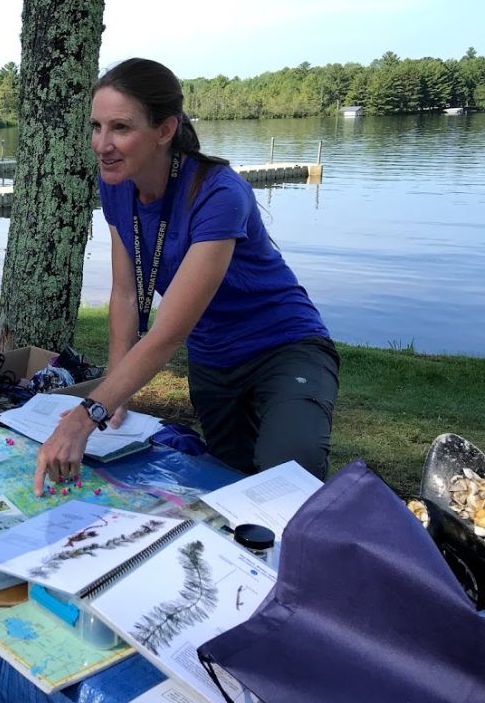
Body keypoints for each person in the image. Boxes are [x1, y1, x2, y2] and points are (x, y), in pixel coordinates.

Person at [35, 58, 340, 495]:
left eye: (120, 127)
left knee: (286, 481)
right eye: (96, 126)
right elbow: (124, 293)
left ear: (164, 131)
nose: (102, 144)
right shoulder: (116, 184)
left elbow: (168, 332)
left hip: (284, 348)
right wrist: (114, 392)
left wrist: (88, 415)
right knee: (227, 485)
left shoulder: (219, 193)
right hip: (213, 361)